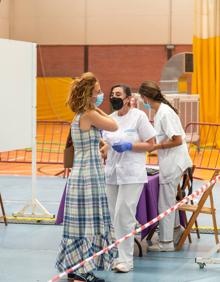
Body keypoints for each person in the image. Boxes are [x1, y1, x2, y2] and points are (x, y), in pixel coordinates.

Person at [56, 72, 118, 282]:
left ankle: (77, 267)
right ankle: (81, 270)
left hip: (84, 171)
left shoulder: (82, 115)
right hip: (87, 175)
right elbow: (113, 125)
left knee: (81, 222)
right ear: (89, 94)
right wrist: (98, 108)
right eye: (98, 92)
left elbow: (91, 143)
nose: (101, 95)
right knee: (88, 222)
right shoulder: (89, 114)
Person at [101, 84, 156, 273]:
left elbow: (151, 145)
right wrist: (104, 150)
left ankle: (126, 260)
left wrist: (129, 146)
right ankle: (116, 256)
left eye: (118, 94)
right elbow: (108, 144)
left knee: (124, 216)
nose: (113, 97)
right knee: (113, 217)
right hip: (112, 173)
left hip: (132, 174)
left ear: (127, 98)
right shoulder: (109, 119)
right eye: (112, 94)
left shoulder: (138, 117)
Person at [138, 80, 193, 252]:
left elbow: (176, 140)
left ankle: (166, 243)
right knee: (169, 200)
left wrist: (157, 147)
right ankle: (176, 231)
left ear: (145, 98)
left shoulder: (164, 113)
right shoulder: (161, 110)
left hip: (173, 162)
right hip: (172, 161)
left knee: (165, 203)